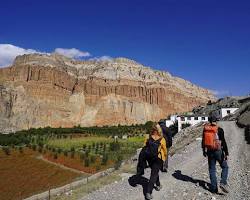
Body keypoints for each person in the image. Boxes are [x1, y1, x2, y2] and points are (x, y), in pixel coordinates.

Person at [202, 115, 229, 194]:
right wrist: (226, 153)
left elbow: (203, 141)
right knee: (225, 166)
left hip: (209, 151)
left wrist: (204, 150)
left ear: (209, 121)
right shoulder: (219, 130)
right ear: (216, 121)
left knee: (212, 169)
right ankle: (223, 183)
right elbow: (223, 142)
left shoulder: (205, 129)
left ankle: (213, 188)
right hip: (218, 151)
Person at [142, 123, 167, 200]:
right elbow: (165, 150)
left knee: (154, 171)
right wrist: (164, 158)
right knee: (153, 174)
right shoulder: (162, 139)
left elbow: (144, 148)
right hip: (158, 158)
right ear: (159, 130)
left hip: (150, 158)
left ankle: (158, 184)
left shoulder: (148, 138)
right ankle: (148, 192)